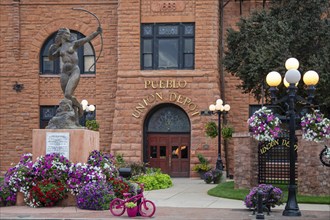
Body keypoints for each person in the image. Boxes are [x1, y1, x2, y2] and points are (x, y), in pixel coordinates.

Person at [48, 27, 102, 124]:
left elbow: (86, 39)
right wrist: (50, 49)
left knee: (68, 94)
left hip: (74, 70)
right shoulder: (60, 48)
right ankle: (75, 118)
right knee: (67, 97)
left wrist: (97, 32)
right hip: (64, 72)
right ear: (62, 35)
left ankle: (80, 107)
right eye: (67, 34)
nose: (69, 35)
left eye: (69, 33)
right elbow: (51, 58)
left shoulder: (74, 44)